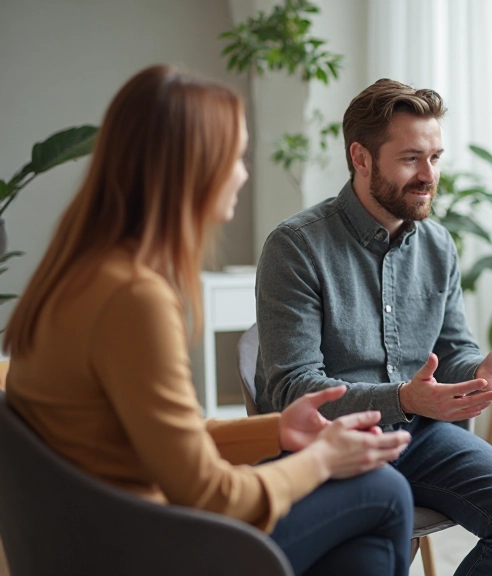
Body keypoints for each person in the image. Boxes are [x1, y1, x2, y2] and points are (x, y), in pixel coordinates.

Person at [3, 65, 417, 576]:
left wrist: (279, 431)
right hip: (142, 550)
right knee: (384, 491)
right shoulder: (134, 299)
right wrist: (320, 462)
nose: (243, 173)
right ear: (192, 167)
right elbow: (208, 493)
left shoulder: (80, 271)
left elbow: (162, 438)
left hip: (90, 537)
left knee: (359, 538)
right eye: (235, 157)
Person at [253, 78, 492, 576]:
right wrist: (402, 399)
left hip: (421, 438)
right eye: (411, 158)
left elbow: (451, 349)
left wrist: (481, 369)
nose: (428, 175)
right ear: (361, 157)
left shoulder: (438, 245)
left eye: (436, 157)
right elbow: (292, 389)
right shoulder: (297, 247)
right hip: (333, 444)